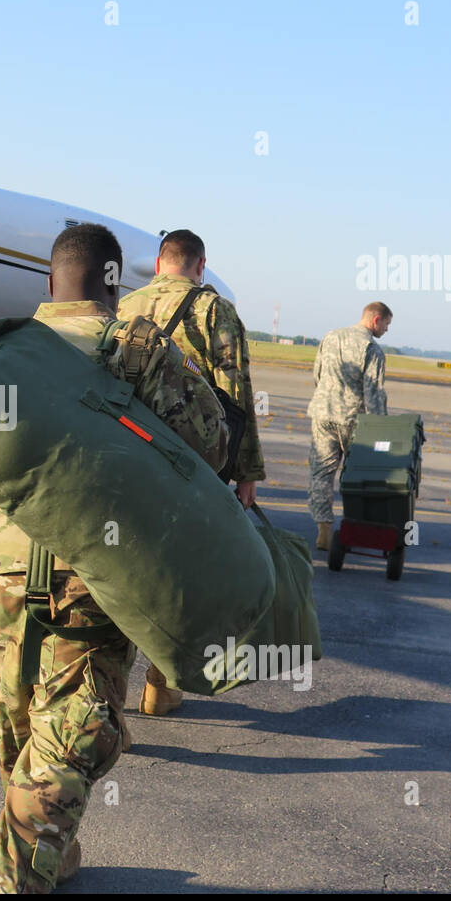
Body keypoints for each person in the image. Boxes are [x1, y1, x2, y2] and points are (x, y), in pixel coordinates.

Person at [0, 223, 226, 893]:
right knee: (65, 741)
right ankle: (2, 881)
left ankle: (49, 854)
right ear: (115, 284)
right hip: (93, 583)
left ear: (50, 284)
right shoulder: (142, 351)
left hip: (2, 585)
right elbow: (214, 444)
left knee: (23, 734)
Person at [117, 229, 265, 717]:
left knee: (121, 568)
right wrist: (246, 472)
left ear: (160, 263)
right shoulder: (214, 309)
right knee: (179, 576)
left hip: (128, 452)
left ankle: (107, 690)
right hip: (191, 464)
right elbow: (235, 391)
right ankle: (161, 686)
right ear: (200, 266)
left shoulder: (126, 304)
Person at [307, 301, 392, 550]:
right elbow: (373, 394)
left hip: (323, 414)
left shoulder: (331, 337)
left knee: (321, 473)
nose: (387, 330)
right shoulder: (372, 350)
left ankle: (323, 530)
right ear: (376, 320)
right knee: (357, 477)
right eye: (387, 324)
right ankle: (355, 528)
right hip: (353, 421)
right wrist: (381, 431)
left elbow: (317, 374)